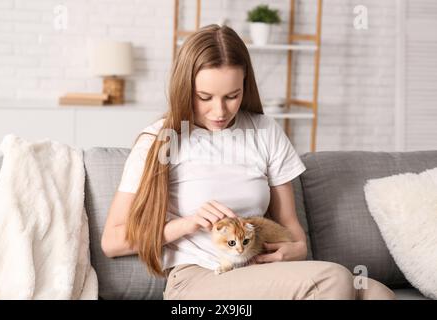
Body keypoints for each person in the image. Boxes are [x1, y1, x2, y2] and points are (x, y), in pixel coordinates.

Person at [101, 24, 395, 300]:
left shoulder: (264, 131)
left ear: (246, 86)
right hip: (200, 279)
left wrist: (293, 250)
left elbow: (292, 229)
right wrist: (186, 225)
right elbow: (111, 241)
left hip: (262, 271)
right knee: (333, 279)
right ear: (184, 89)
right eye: (204, 97)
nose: (219, 111)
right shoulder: (159, 139)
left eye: (232, 96)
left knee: (376, 292)